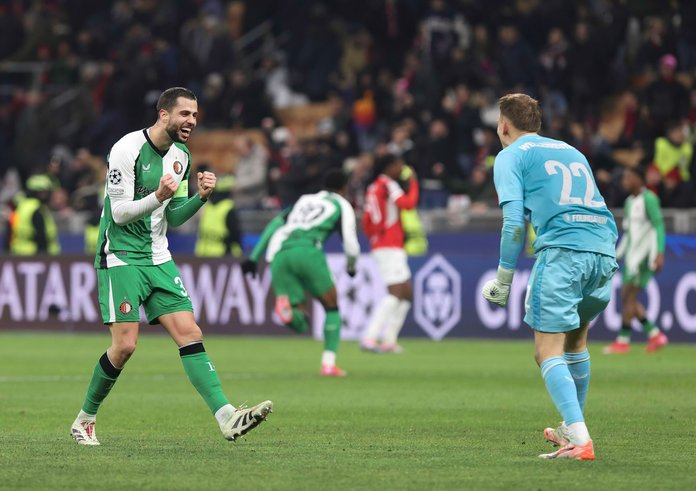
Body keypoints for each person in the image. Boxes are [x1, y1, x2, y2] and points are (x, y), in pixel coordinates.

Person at [70, 87, 272, 446]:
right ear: (163, 115)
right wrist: (157, 196)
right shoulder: (126, 149)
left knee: (190, 333)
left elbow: (172, 216)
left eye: (194, 115)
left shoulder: (181, 156)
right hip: (120, 254)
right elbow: (118, 214)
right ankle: (85, 419)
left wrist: (201, 198)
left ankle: (227, 417)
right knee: (125, 347)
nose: (191, 121)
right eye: (184, 114)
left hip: (158, 256)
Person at [482, 94, 618, 460]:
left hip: (563, 252)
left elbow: (514, 224)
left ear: (504, 125)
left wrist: (503, 282)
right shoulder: (573, 151)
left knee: (547, 351)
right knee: (575, 343)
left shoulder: (510, 155)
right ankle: (571, 426)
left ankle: (580, 439)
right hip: (603, 252)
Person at [241, 170, 360, 377]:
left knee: (300, 319)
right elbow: (350, 243)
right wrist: (351, 267)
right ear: (344, 188)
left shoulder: (304, 200)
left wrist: (254, 257)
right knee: (332, 307)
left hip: (280, 254)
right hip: (308, 251)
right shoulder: (342, 204)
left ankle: (288, 312)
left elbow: (275, 224)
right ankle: (328, 364)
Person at [604, 167, 668, 354]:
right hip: (631, 257)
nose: (625, 182)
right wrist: (617, 255)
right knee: (627, 297)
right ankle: (654, 334)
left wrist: (659, 253)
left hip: (643, 258)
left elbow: (659, 226)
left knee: (627, 296)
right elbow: (629, 234)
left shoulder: (649, 199)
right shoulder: (629, 203)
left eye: (628, 178)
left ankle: (623, 341)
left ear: (639, 179)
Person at [360, 155, 419, 353]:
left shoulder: (372, 187)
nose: (401, 169)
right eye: (399, 165)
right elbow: (408, 203)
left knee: (407, 295)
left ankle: (389, 340)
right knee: (395, 293)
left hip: (383, 244)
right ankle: (370, 337)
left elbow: (366, 220)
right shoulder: (388, 184)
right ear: (390, 166)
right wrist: (413, 183)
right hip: (389, 244)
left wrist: (375, 238)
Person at [6, 174, 60, 256]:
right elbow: (41, 236)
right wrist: (44, 256)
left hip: (17, 253)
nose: (47, 195)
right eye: (44, 192)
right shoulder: (36, 208)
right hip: (36, 255)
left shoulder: (20, 206)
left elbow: (9, 231)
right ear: (36, 192)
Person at [195, 174, 243, 257]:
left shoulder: (206, 205)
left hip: (202, 253)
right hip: (222, 255)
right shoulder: (228, 207)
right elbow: (235, 235)